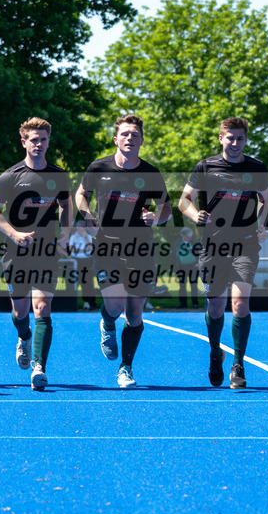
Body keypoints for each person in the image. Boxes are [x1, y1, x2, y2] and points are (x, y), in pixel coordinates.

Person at [74, 114, 171, 388]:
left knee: (135, 313)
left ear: (141, 140)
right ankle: (107, 322)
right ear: (116, 139)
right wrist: (87, 215)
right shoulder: (99, 167)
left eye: (135, 135)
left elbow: (166, 209)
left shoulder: (150, 173)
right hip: (107, 247)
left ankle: (126, 368)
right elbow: (81, 193)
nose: (130, 138)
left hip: (141, 250)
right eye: (125, 134)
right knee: (115, 305)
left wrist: (156, 218)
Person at [178, 117, 268, 389]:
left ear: (246, 140)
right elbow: (184, 200)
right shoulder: (205, 166)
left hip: (245, 244)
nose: (235, 142)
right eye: (230, 137)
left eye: (240, 138)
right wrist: (195, 214)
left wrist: (261, 223)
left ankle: (238, 364)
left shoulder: (256, 167)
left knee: (240, 303)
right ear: (221, 138)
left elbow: (265, 199)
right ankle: (215, 352)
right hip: (213, 246)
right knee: (216, 306)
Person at [0, 117, 72, 391]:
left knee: (42, 307)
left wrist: (66, 233)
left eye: (43, 139)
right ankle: (24, 337)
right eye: (34, 140)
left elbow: (66, 204)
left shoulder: (58, 175)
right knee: (20, 311)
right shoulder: (10, 176)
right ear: (24, 142)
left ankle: (39, 368)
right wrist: (14, 233)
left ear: (48, 141)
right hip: (16, 252)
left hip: (47, 251)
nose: (39, 144)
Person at [67, 221, 95, 309]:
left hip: (87, 261)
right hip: (76, 262)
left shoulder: (89, 237)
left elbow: (90, 249)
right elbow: (71, 249)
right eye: (78, 226)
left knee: (87, 282)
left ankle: (89, 303)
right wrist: (84, 250)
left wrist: (85, 238)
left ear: (85, 228)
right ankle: (72, 304)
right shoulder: (73, 237)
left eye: (81, 227)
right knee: (74, 282)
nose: (79, 228)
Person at [173, 227, 200, 309]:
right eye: (185, 236)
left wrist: (197, 263)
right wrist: (176, 265)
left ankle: (195, 303)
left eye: (189, 236)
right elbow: (174, 254)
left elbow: (199, 254)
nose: (187, 238)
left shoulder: (194, 242)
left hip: (193, 266)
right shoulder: (178, 243)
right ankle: (183, 304)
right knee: (182, 286)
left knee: (193, 285)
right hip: (181, 267)